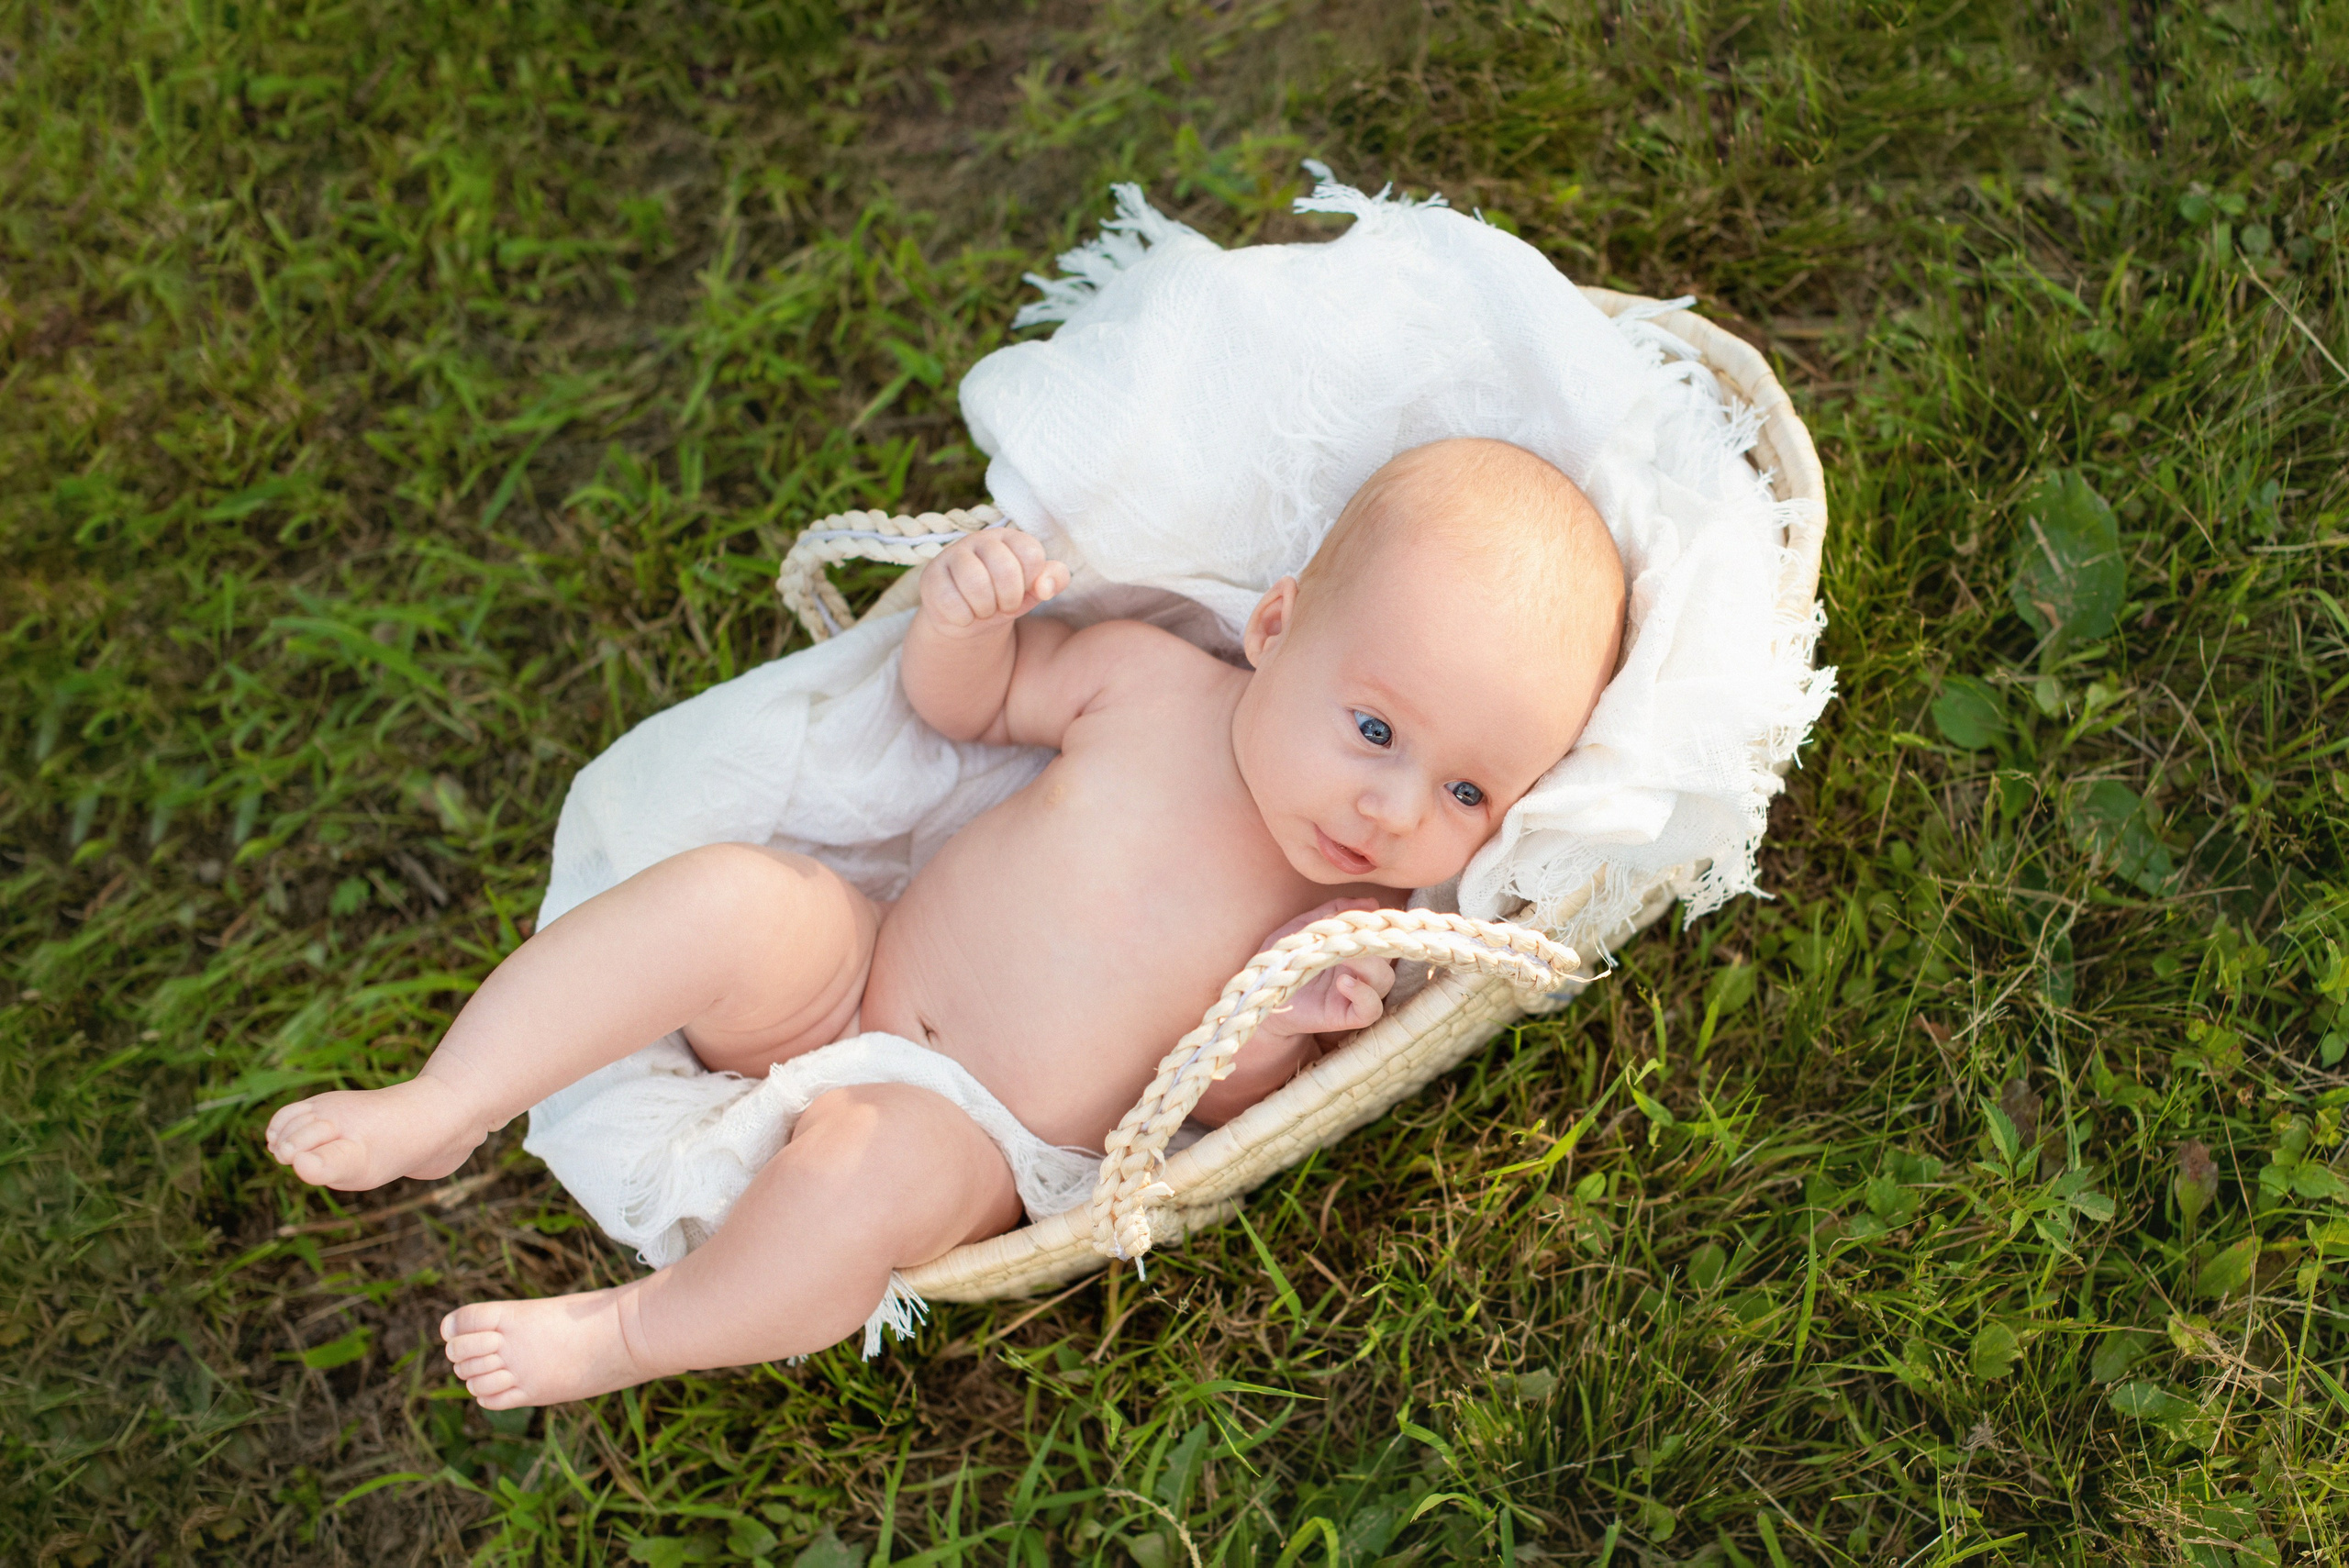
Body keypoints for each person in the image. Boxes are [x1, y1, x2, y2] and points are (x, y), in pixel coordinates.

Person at [263, 437, 1625, 1408]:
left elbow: (1212, 1104)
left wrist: (1283, 1030)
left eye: (1465, 788)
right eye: (1375, 726)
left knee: (870, 1173)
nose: (1390, 807)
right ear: (1275, 626)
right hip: (860, 962)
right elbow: (963, 708)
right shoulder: (1150, 685)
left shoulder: (1346, 921)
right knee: (733, 897)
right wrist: (970, 621)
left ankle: (629, 1332)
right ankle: (451, 1096)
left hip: (979, 1126)